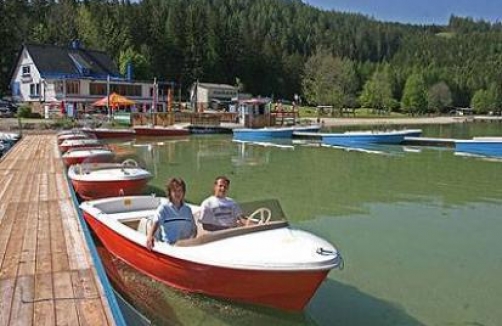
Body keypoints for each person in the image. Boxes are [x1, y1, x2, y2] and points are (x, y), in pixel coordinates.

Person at [146, 178, 197, 250]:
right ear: (170, 192)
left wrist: (191, 241)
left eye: (180, 191)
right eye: (175, 191)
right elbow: (156, 222)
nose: (177, 193)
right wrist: (150, 236)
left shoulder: (187, 209)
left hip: (186, 246)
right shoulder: (163, 208)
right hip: (170, 247)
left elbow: (194, 229)